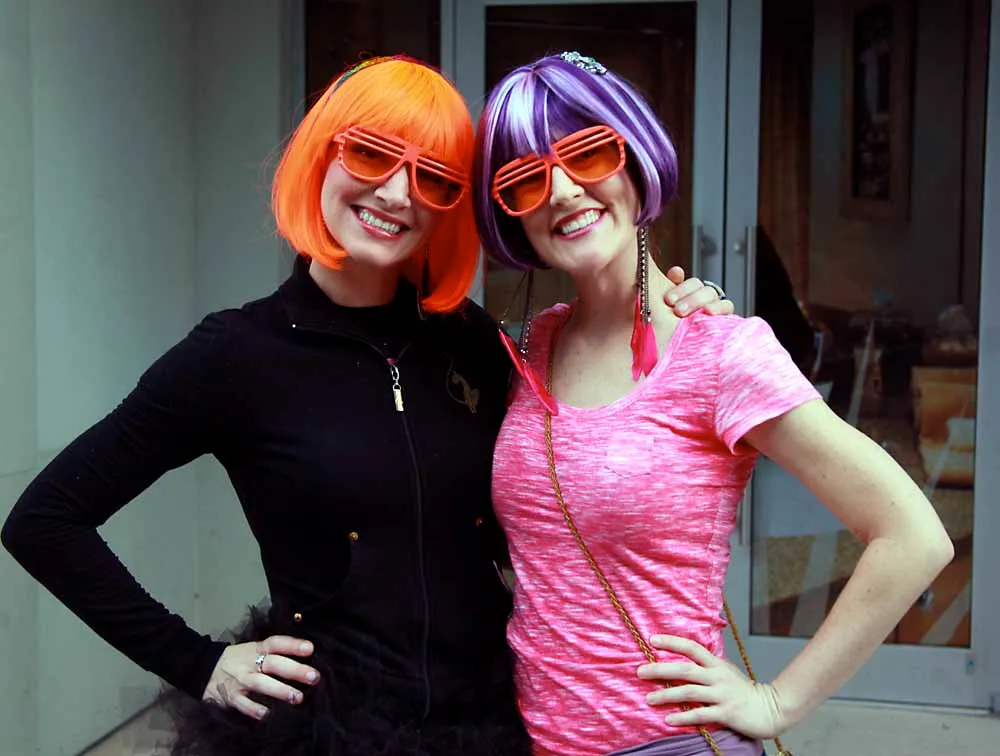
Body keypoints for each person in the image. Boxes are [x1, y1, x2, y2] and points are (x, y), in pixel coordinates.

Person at [1, 55, 727, 756]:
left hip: (489, 723)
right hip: (324, 730)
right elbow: (45, 519)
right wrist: (196, 662)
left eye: (433, 178)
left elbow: (586, 447)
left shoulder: (469, 340)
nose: (398, 193)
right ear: (321, 156)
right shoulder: (236, 354)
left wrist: (678, 316)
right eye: (373, 155)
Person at [473, 51, 954, 756]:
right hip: (531, 738)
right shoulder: (532, 345)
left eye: (588, 154)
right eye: (525, 180)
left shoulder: (720, 352)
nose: (563, 191)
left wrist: (777, 700)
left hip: (668, 742)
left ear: (636, 162)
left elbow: (913, 536)